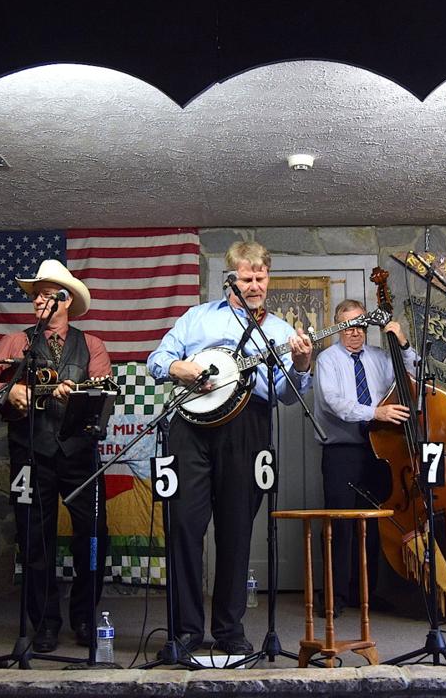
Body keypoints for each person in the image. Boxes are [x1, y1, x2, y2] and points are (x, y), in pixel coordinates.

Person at [147, 241, 313, 656]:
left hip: (247, 428)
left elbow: (286, 395)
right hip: (191, 428)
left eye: (261, 278)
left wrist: (303, 365)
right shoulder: (196, 318)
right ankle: (184, 632)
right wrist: (178, 367)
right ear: (230, 280)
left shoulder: (278, 331)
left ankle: (228, 630)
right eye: (246, 278)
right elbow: (157, 358)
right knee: (184, 526)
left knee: (237, 532)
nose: (255, 285)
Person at [0, 259, 112, 652]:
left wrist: (79, 394)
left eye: (47, 295)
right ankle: (45, 622)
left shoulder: (92, 346)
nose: (39, 301)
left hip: (79, 453)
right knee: (35, 539)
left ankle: (84, 617)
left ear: (65, 300)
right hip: (30, 451)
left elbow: (102, 399)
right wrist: (7, 392)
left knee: (93, 537)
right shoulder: (16, 342)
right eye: (36, 295)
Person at [312, 299, 414, 616]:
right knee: (340, 525)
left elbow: (411, 377)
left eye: (359, 324)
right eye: (346, 325)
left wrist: (404, 345)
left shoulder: (381, 357)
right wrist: (376, 411)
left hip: (379, 450)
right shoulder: (327, 360)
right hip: (342, 451)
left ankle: (366, 593)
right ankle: (335, 596)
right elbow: (335, 403)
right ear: (337, 327)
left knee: (371, 526)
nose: (354, 331)